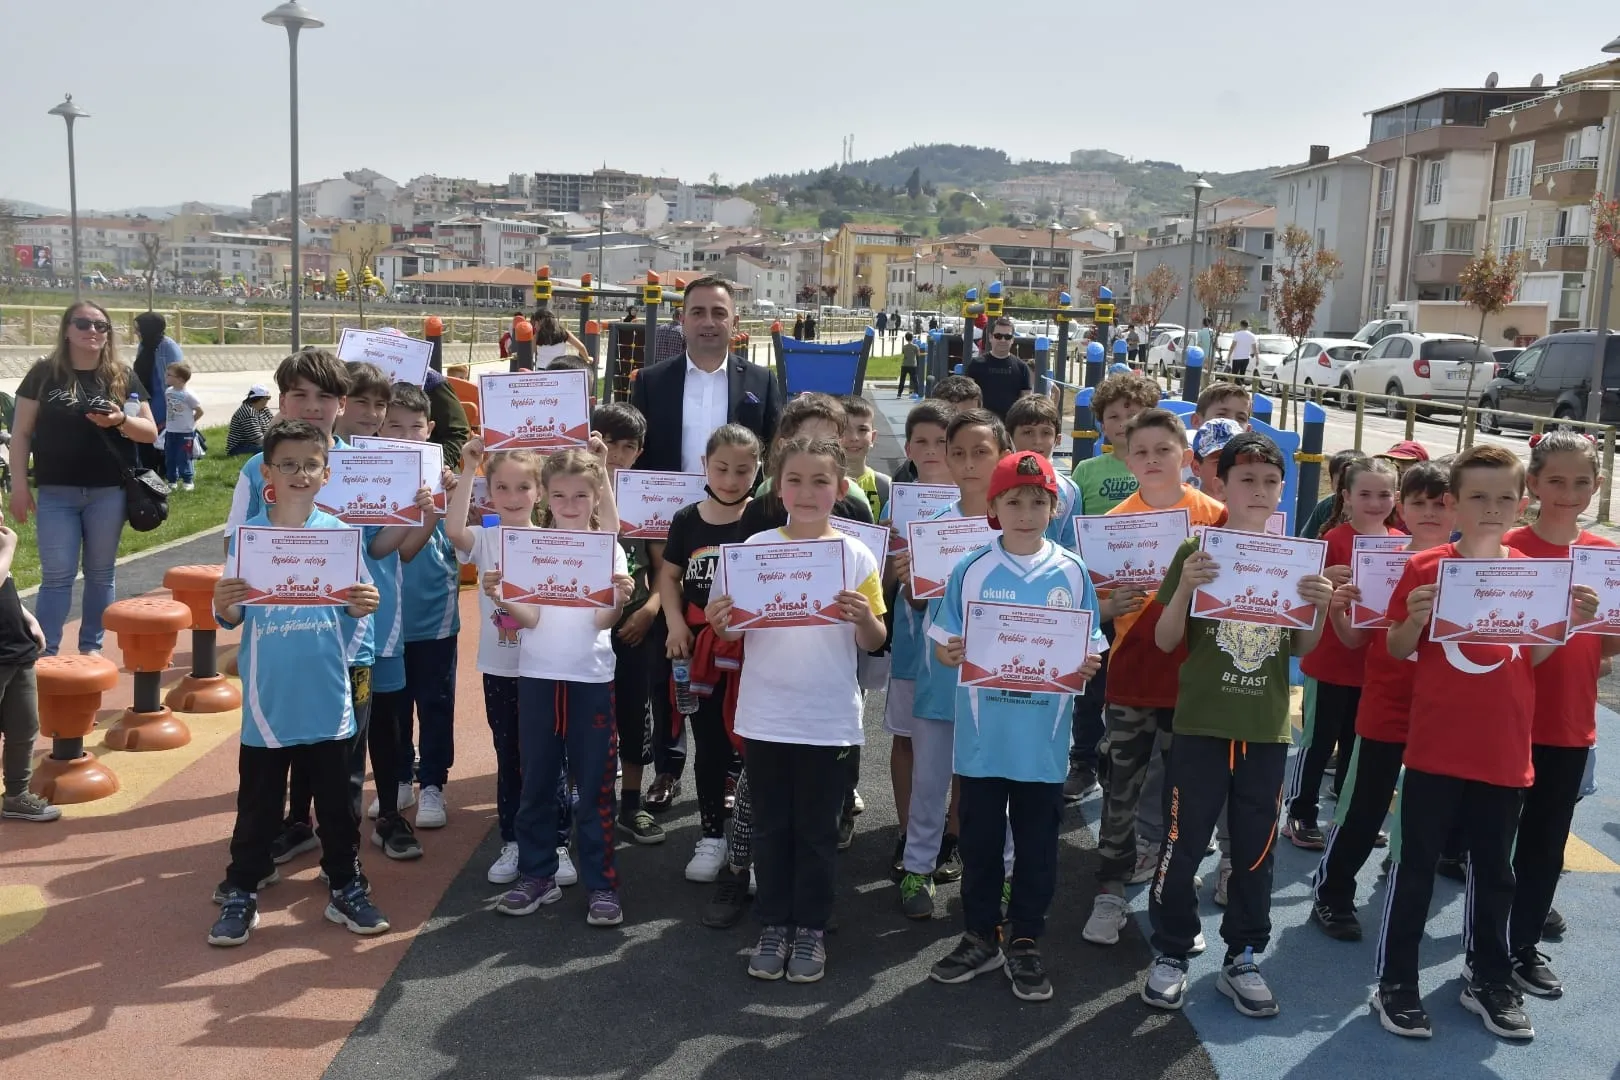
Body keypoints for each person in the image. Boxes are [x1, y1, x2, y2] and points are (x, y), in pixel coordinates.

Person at [1374, 444, 1597, 1041]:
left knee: (1495, 872)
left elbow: (1532, 657)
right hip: (1436, 747)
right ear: (1453, 503)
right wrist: (1413, 619)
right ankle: (1396, 982)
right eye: (1477, 496)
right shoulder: (1427, 567)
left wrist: (1567, 623)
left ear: (1521, 503)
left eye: (1504, 497)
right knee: (1416, 868)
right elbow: (1396, 648)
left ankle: (1488, 978)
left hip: (1505, 748)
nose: (1492, 508)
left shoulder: (1532, 573)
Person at [1141, 432, 1333, 1018]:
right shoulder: (1197, 549)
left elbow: (1302, 647)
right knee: (1183, 843)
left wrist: (1321, 605)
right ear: (1220, 484)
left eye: (1271, 481)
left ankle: (1243, 957)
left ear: (1283, 490)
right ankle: (1172, 950)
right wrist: (1185, 588)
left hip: (1265, 729)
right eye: (1246, 479)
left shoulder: (1296, 556)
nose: (1259, 490)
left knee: (1255, 850)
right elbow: (1165, 639)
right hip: (1202, 724)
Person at [706, 434, 886, 982]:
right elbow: (730, 630)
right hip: (766, 716)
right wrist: (721, 624)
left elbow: (876, 641)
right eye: (795, 480)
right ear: (777, 487)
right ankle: (773, 924)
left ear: (841, 487)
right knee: (771, 828)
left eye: (820, 481)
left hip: (828, 721)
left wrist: (864, 618)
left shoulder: (855, 554)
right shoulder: (753, 549)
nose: (807, 492)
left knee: (816, 831)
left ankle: (810, 928)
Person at [928, 451, 1107, 1001]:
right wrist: (949, 653)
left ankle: (1025, 939)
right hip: (983, 740)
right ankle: (980, 935)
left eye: (1037, 502)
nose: (1026, 513)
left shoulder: (1071, 570)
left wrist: (1087, 662)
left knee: (1037, 848)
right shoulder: (971, 568)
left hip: (1042, 744)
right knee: (980, 844)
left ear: (1054, 508)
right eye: (1014, 501)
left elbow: (1091, 644)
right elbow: (944, 641)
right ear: (994, 507)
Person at [208, 419, 388, 947]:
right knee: (258, 802)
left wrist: (364, 604)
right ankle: (243, 887)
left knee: (336, 802)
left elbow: (360, 607)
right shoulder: (250, 538)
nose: (300, 473)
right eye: (288, 464)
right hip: (268, 697)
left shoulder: (340, 536)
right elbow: (231, 615)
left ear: (327, 474)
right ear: (267, 472)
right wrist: (223, 605)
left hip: (327, 691)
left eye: (311, 464)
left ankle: (345, 882)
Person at [1082, 409, 1228, 948]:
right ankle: (1109, 890)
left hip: (1195, 678)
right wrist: (1109, 605)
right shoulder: (1113, 523)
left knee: (1183, 794)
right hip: (1132, 674)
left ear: (1185, 458)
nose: (1151, 460)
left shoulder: (1215, 516)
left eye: (1163, 450)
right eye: (1140, 451)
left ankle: (1175, 893)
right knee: (1121, 786)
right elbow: (1093, 604)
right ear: (1127, 460)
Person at [486, 449, 633, 926]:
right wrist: (502, 595)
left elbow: (603, 622)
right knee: (536, 782)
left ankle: (601, 885)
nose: (570, 504)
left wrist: (620, 602)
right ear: (545, 497)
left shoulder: (608, 549)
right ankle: (538, 875)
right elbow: (528, 619)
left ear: (596, 498)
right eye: (560, 495)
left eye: (581, 495)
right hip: (538, 678)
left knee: (594, 788)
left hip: (591, 678)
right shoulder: (530, 547)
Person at [1308, 461, 1453, 940]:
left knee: (1427, 808)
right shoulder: (1379, 560)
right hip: (1387, 700)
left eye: (1441, 503)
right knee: (1365, 804)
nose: (1430, 512)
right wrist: (1338, 610)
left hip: (1444, 709)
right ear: (1402, 509)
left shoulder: (1469, 567)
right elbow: (1354, 640)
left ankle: (1404, 870)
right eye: (1418, 503)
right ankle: (1333, 891)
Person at [1501, 432, 1614, 998]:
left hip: (1569, 723)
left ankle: (1521, 947)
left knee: (1546, 844)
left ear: (1598, 486)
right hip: (1505, 721)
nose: (1569, 493)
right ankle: (1485, 949)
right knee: (1492, 843)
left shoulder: (1606, 556)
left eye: (1581, 482)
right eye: (1556, 481)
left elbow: (1608, 645)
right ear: (1533, 484)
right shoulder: (1507, 549)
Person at [445, 433, 576, 884]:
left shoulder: (554, 541)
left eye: (523, 487)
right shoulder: (485, 538)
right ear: (490, 492)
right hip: (500, 669)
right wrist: (468, 468)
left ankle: (557, 843)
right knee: (509, 755)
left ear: (540, 492)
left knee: (550, 757)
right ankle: (514, 841)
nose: (513, 496)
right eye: (502, 487)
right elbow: (453, 531)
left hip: (546, 668)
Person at [898, 408, 1010, 921]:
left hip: (1000, 685)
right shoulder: (933, 529)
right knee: (929, 784)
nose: (968, 463)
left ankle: (1001, 877)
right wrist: (910, 581)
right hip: (941, 680)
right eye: (958, 452)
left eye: (980, 452)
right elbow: (919, 604)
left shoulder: (1019, 527)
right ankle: (916, 868)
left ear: (1002, 456)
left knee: (999, 787)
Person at [10, 302, 159, 656]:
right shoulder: (43, 374)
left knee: (101, 573)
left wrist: (120, 420)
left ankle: (91, 648)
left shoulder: (121, 376)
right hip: (56, 492)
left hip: (108, 491)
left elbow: (150, 432)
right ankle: (46, 652)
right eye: (82, 324)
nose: (92, 331)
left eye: (101, 326)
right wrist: (19, 486)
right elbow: (21, 434)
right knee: (57, 576)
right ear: (66, 330)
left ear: (108, 334)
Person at [660, 424, 763, 925]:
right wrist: (675, 623)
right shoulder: (687, 518)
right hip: (700, 649)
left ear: (759, 470)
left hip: (752, 650)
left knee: (753, 748)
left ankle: (755, 844)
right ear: (704, 465)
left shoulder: (766, 517)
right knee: (710, 745)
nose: (731, 479)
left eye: (743, 469)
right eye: (721, 468)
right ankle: (711, 835)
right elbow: (669, 575)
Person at [1283, 458, 1400, 849]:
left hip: (1374, 666)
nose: (1375, 502)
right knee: (1317, 743)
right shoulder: (1332, 539)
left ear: (1396, 497)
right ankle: (1300, 813)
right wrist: (1324, 578)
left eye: (1384, 494)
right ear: (1346, 496)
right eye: (1364, 494)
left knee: (1357, 745)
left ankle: (1349, 816)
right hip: (1329, 662)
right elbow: (1301, 589)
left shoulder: (1402, 543)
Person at [592, 404, 672, 869]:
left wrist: (649, 611)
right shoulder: (570, 485)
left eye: (627, 446)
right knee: (584, 713)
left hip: (634, 627)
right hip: (582, 627)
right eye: (608, 443)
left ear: (640, 451)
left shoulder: (645, 497)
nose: (616, 454)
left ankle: (630, 803)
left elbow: (663, 570)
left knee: (634, 711)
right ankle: (586, 798)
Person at [380, 384, 462, 834]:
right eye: (394, 426)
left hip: (434, 615)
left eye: (415, 427)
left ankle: (432, 783)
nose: (405, 435)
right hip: (385, 617)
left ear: (429, 429)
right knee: (393, 708)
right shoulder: (369, 476)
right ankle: (398, 779)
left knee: (435, 703)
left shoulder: (445, 478)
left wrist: (453, 496)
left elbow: (465, 533)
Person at [883, 402, 955, 893]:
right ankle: (908, 832)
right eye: (922, 442)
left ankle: (953, 835)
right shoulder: (896, 504)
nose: (932, 451)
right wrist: (897, 563)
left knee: (961, 747)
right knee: (907, 740)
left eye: (942, 443)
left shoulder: (980, 509)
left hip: (962, 651)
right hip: (911, 646)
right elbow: (883, 584)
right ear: (907, 448)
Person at [629, 277, 782, 476]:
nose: (708, 322)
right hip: (665, 496)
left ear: (735, 323)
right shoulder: (650, 382)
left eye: (719, 313)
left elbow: (775, 456)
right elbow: (635, 455)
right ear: (683, 320)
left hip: (742, 497)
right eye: (698, 312)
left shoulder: (762, 382)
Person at [0, 516, 54, 822]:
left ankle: (17, 795)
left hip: (16, 650)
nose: (0, 517)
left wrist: (27, 617)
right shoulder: (3, 548)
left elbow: (4, 585)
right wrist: (8, 549)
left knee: (24, 728)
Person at [1072, 372, 1159, 517]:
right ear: (1103, 427)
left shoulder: (1162, 466)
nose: (1123, 423)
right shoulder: (1085, 471)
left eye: (1132, 416)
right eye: (1114, 416)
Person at [133, 311, 182, 471]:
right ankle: (147, 470)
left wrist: (174, 408)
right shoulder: (144, 346)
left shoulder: (168, 347)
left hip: (162, 402)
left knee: (162, 439)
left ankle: (167, 470)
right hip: (145, 399)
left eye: (139, 329)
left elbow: (178, 379)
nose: (136, 332)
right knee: (143, 437)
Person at [964, 317, 1033, 421]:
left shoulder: (1022, 367)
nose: (1003, 340)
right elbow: (967, 397)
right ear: (990, 337)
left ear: (1012, 339)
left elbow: (1025, 401)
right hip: (982, 422)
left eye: (1007, 337)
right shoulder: (976, 364)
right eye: (998, 336)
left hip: (1010, 424)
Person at [839, 396, 890, 520]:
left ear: (873, 437)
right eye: (845, 429)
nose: (854, 437)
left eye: (862, 430)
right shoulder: (819, 484)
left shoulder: (885, 486)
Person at [1299, 449, 1368, 540]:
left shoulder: (1372, 507)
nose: (1347, 490)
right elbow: (1307, 539)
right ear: (1331, 484)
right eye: (1341, 484)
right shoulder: (1325, 507)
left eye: (1353, 483)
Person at [162, 363, 204, 491]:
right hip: (171, 431)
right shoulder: (168, 392)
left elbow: (199, 411)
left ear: (180, 379)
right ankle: (172, 480)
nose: (166, 376)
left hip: (185, 433)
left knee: (184, 456)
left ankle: (187, 480)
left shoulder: (189, 395)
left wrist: (190, 423)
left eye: (169, 375)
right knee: (170, 456)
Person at [228, 385, 274, 457]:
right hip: (239, 447)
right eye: (267, 398)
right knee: (273, 449)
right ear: (260, 399)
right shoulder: (247, 412)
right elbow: (257, 438)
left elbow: (274, 425)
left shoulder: (264, 409)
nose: (268, 400)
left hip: (256, 444)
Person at [897, 332, 921, 398]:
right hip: (912, 365)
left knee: (902, 380)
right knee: (915, 380)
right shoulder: (915, 346)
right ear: (912, 338)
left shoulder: (904, 347)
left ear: (906, 339)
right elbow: (918, 355)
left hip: (904, 365)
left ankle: (899, 394)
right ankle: (917, 393)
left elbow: (903, 353)